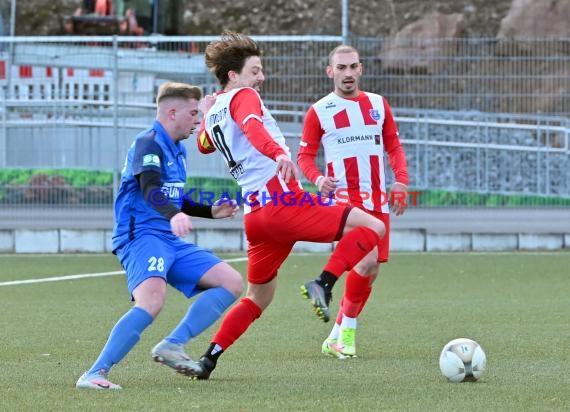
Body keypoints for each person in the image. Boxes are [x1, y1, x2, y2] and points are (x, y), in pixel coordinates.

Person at [180, 31, 386, 380]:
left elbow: (203, 145)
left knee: (258, 297)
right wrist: (277, 153)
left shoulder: (216, 110)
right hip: (283, 201)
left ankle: (208, 359)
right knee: (374, 228)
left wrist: (207, 110)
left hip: (256, 218)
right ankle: (323, 282)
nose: (261, 77)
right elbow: (251, 126)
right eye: (255, 70)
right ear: (234, 75)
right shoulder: (243, 96)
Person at [76, 82, 244, 390]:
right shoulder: (149, 142)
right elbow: (150, 187)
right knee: (151, 300)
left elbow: (174, 197)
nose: (198, 120)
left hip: (167, 238)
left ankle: (172, 345)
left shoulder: (177, 148)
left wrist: (210, 212)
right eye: (194, 113)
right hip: (140, 236)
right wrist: (174, 215)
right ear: (172, 112)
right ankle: (94, 374)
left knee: (231, 282)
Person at [298, 45, 409, 359]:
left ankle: (336, 335)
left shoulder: (378, 104)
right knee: (367, 260)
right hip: (344, 200)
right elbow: (304, 156)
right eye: (341, 68)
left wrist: (401, 180)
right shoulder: (320, 110)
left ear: (361, 69)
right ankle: (339, 317)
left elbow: (394, 148)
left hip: (377, 199)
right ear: (329, 71)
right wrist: (319, 179)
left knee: (370, 272)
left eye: (353, 67)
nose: (347, 74)